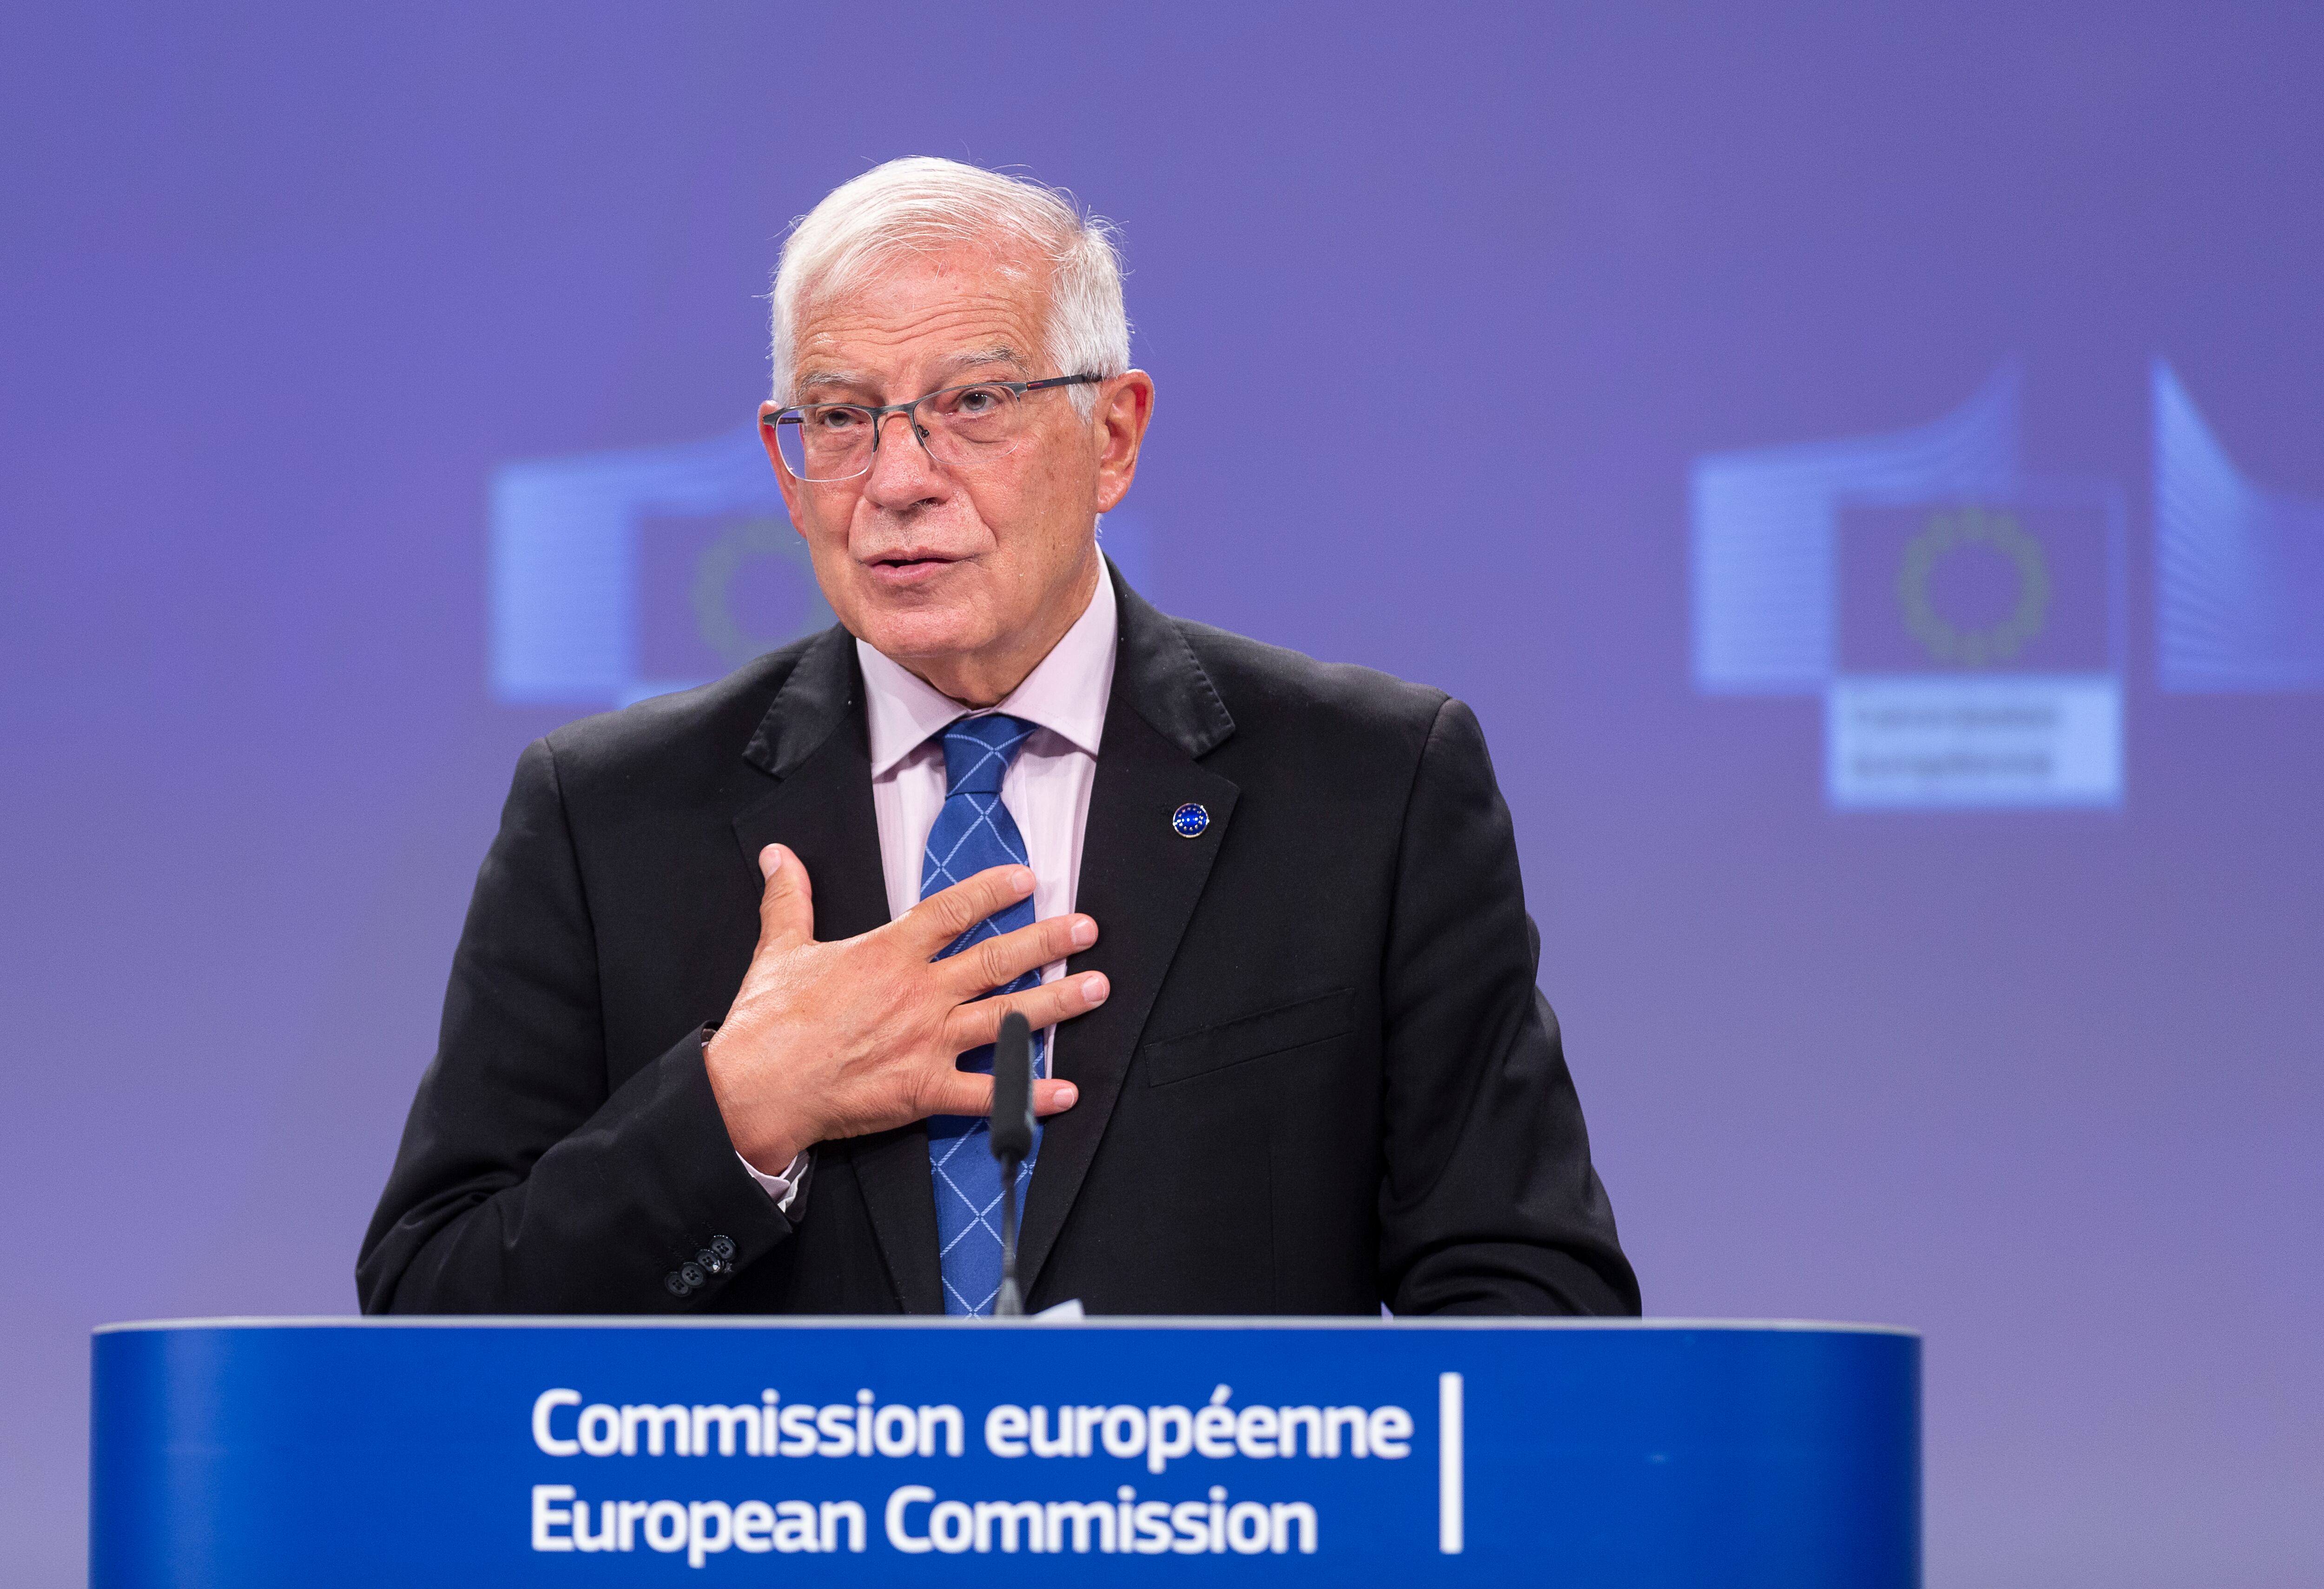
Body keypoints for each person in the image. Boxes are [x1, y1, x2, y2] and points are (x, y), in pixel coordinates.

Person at [358, 158, 1637, 1319]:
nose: (899, 476)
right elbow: (431, 1303)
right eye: (842, 416)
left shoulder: (1371, 789)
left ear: (1115, 434)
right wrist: (738, 1110)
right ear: (785, 464)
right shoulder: (607, 820)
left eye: (972, 401)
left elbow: (1532, 1296)